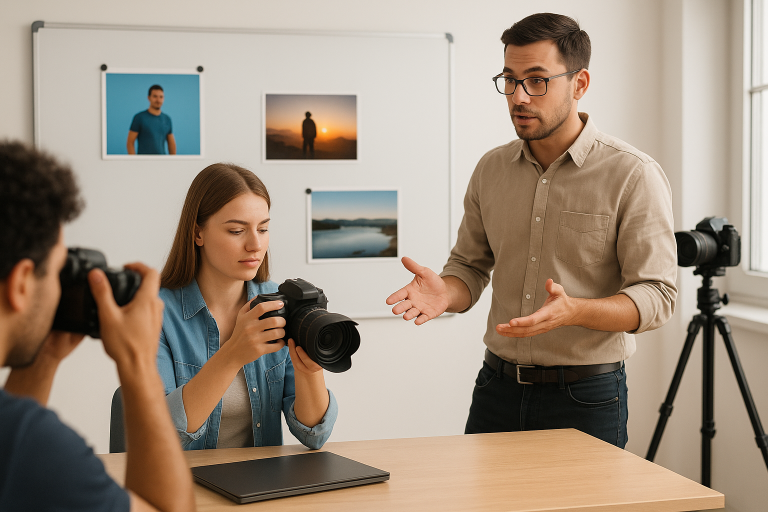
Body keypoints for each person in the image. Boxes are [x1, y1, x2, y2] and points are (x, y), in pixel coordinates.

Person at [386, 13, 677, 448]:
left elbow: (658, 296)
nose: (519, 96)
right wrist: (447, 292)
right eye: (510, 79)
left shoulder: (632, 174)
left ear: (579, 84)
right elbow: (469, 267)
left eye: (537, 80)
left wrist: (575, 311)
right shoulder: (490, 169)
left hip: (586, 399)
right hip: (496, 390)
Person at [0, 141, 195, 511]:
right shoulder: (32, 445)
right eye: (58, 269)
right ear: (22, 283)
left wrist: (44, 357)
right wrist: (138, 363)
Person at [157, 163, 337, 450]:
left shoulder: (280, 302)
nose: (255, 244)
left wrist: (311, 371)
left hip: (258, 486)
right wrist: (231, 355)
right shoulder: (154, 313)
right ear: (198, 233)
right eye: (237, 230)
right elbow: (161, 433)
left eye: (263, 228)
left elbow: (313, 434)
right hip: (182, 487)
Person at [127, 85, 177, 155]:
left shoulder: (167, 119)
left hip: (161, 162)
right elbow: (130, 142)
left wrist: (173, 162)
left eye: (161, 97)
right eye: (155, 96)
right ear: (149, 98)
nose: (158, 100)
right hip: (144, 162)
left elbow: (171, 144)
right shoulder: (139, 117)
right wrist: (134, 162)